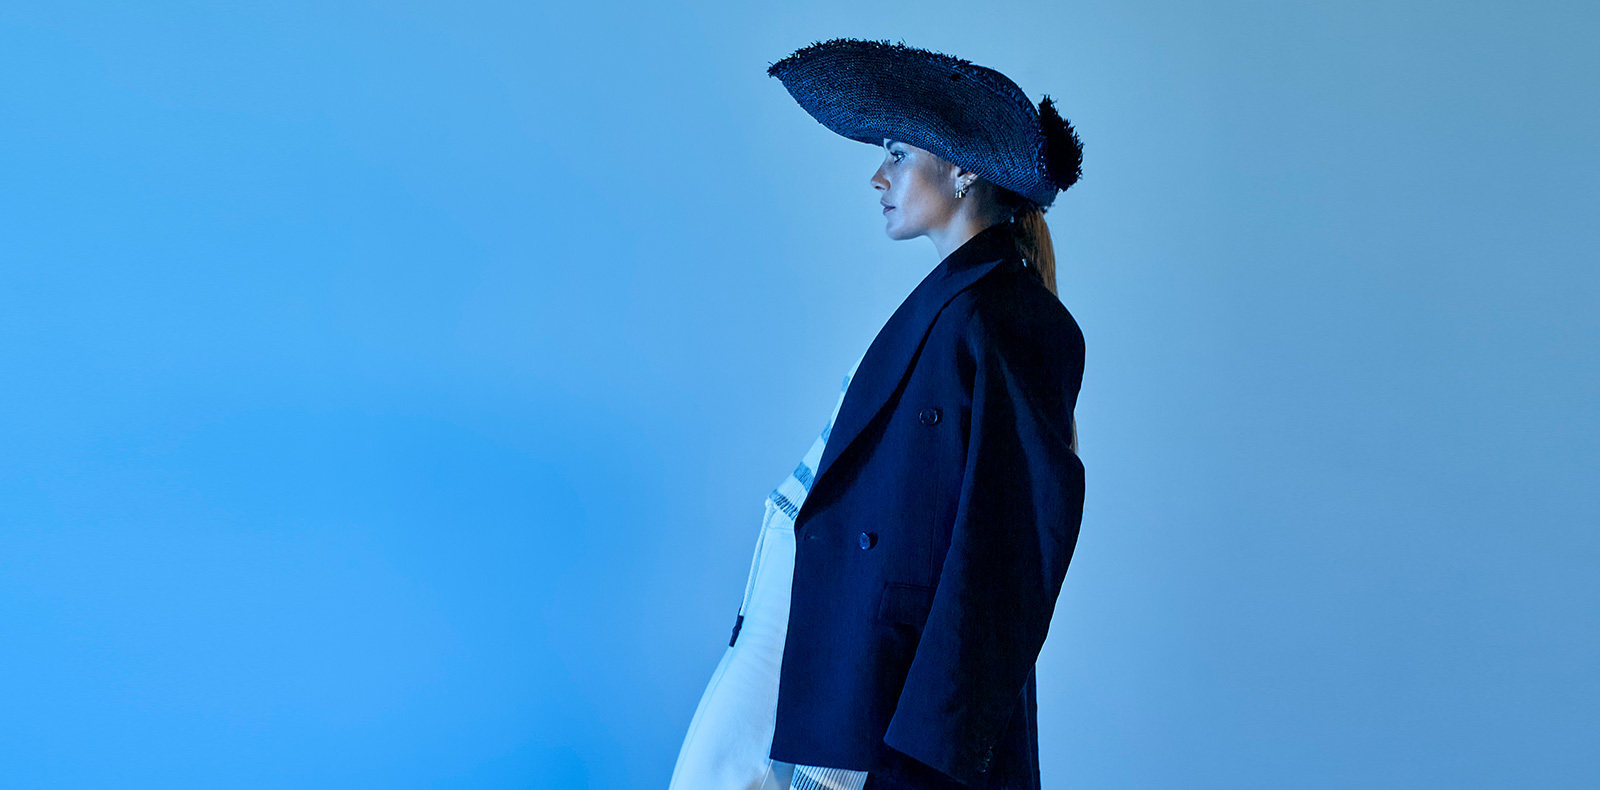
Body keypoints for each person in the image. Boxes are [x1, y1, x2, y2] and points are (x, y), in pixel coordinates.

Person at [670, 39, 1086, 790]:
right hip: (849, 667)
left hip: (905, 712)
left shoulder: (1009, 317)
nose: (878, 176)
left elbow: (1011, 552)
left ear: (963, 169)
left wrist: (935, 747)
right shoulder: (957, 305)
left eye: (897, 152)